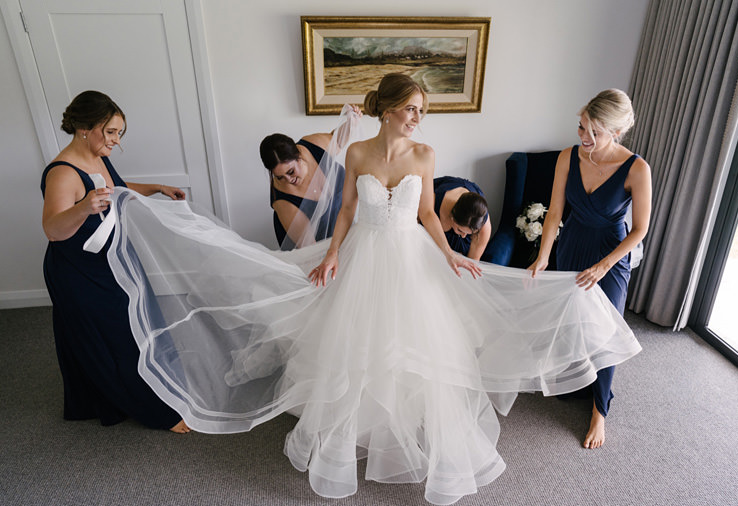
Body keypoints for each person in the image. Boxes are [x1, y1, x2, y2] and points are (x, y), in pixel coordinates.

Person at [101, 74, 641, 505]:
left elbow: (429, 212)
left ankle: (411, 431)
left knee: (415, 345)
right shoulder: (357, 154)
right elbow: (348, 212)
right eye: (410, 109)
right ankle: (354, 430)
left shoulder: (425, 156)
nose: (416, 118)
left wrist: (450, 253)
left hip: (409, 258)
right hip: (362, 255)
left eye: (421, 111)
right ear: (387, 109)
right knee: (353, 344)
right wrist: (333, 252)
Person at [41, 90, 190, 433]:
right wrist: (83, 208)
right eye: (110, 132)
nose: (116, 142)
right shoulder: (62, 174)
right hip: (77, 270)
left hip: (108, 261)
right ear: (85, 127)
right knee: (117, 333)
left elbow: (115, 187)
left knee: (130, 322)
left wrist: (154, 187)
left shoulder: (96, 157)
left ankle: (98, 396)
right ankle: (156, 412)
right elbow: (52, 229)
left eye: (119, 133)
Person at [529, 88, 652, 449]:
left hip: (611, 254)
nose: (585, 138)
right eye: (582, 127)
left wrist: (604, 264)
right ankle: (578, 379)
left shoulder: (636, 169)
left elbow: (641, 228)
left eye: (594, 132)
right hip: (573, 244)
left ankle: (601, 409)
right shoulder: (569, 157)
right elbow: (554, 213)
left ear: (615, 132)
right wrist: (543, 257)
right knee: (574, 320)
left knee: (606, 328)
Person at [260, 105, 362, 250]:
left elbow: (337, 141)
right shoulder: (283, 202)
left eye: (290, 172)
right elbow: (309, 248)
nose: (289, 180)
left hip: (347, 233)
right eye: (280, 177)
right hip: (316, 251)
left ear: (299, 155)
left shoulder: (312, 145)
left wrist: (351, 123)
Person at [432, 176, 492, 260]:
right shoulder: (433, 203)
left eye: (469, 233)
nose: (464, 236)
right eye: (460, 230)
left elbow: (474, 261)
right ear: (452, 217)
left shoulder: (482, 226)